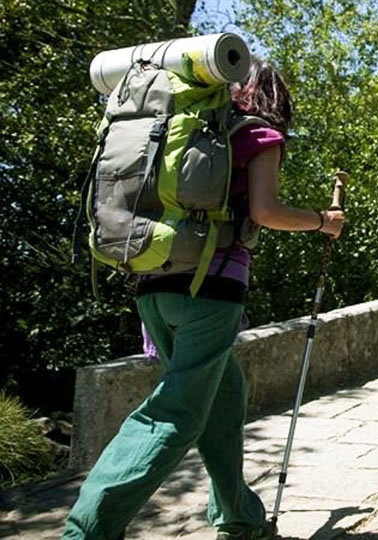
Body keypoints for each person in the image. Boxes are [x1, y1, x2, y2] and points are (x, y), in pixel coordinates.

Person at [63, 57, 345, 540]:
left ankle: (240, 519)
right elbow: (266, 211)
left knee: (223, 399)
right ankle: (87, 530)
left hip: (154, 286)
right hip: (210, 291)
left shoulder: (180, 127)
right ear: (275, 98)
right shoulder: (258, 136)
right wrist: (324, 220)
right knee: (175, 415)